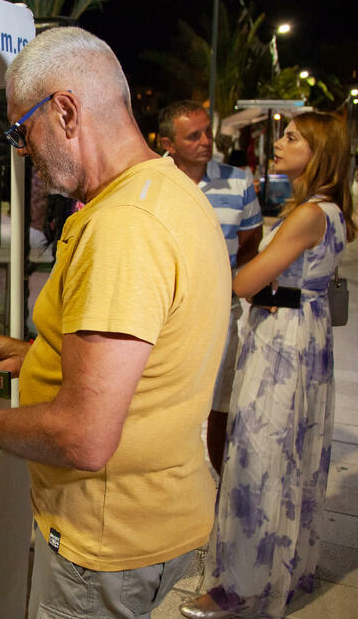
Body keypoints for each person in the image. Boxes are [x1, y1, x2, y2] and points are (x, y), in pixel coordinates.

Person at [0, 27, 230, 618]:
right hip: (159, 517)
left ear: (66, 111)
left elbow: (84, 435)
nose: (20, 150)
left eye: (19, 131)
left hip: (106, 543)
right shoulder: (169, 192)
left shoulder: (123, 227)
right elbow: (144, 353)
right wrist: (38, 352)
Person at [180, 112, 355, 619]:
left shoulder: (306, 215)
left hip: (283, 343)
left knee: (258, 457)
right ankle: (286, 567)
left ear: (318, 152)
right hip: (305, 336)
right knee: (292, 456)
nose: (278, 143)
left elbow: (243, 282)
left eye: (292, 137)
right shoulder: (331, 211)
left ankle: (239, 584)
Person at [159, 100, 263, 475]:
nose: (207, 142)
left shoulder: (237, 182)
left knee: (221, 402)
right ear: (168, 144)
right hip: (165, 316)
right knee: (165, 404)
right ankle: (168, 476)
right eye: (194, 135)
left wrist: (232, 280)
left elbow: (251, 240)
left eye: (207, 132)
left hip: (221, 313)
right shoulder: (152, 180)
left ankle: (219, 483)